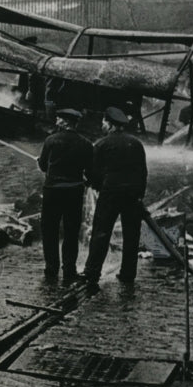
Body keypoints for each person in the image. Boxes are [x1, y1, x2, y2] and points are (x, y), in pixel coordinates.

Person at [81, 106, 147, 290]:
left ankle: (92, 272)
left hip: (110, 194)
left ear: (110, 125)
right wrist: (140, 194)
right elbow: (143, 172)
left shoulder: (102, 144)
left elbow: (92, 171)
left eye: (104, 122)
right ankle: (128, 273)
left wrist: (94, 184)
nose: (102, 125)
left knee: (101, 232)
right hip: (133, 195)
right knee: (132, 235)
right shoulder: (136, 144)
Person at [38, 108, 94, 282]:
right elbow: (90, 171)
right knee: (71, 231)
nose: (56, 121)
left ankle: (51, 268)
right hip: (74, 192)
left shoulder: (51, 140)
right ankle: (69, 270)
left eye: (58, 119)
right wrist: (85, 182)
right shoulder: (86, 143)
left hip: (52, 191)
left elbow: (43, 166)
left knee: (50, 230)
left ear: (64, 122)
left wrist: (41, 162)